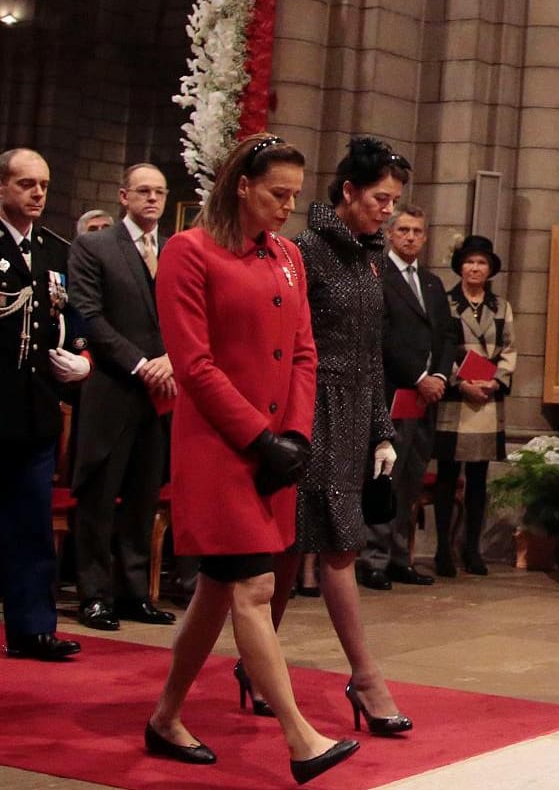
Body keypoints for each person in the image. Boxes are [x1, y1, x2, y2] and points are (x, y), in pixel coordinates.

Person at [147, 132, 358, 780]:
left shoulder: (289, 256)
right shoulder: (190, 251)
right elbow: (194, 363)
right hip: (219, 447)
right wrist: (255, 436)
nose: (287, 207)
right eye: (277, 193)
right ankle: (301, 738)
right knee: (254, 585)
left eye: (295, 195)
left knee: (217, 589)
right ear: (242, 184)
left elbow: (303, 352)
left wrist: (292, 435)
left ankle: (164, 718)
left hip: (274, 452)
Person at [280, 136, 412, 735]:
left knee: (296, 547)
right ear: (349, 191)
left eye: (395, 202)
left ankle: (255, 668)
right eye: (380, 199)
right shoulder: (304, 250)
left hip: (355, 412)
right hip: (310, 411)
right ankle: (365, 677)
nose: (388, 211)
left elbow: (372, 352)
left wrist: (383, 429)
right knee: (330, 546)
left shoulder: (367, 254)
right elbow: (290, 347)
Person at [68, 163, 178, 631]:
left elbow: (189, 315)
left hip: (162, 392)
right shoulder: (96, 246)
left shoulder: (175, 251)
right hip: (113, 387)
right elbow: (89, 316)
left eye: (159, 192)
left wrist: (172, 359)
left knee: (142, 495)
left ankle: (135, 593)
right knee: (99, 496)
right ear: (123, 196)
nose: (152, 199)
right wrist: (141, 363)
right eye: (143, 191)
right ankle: (94, 594)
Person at [0, 148, 90, 661]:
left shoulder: (55, 251)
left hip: (36, 411)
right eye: (26, 184)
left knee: (32, 526)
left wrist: (82, 358)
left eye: (44, 185)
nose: (37, 194)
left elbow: (70, 320)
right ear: (3, 188)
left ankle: (33, 628)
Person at [362, 205, 459, 587]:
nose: (411, 237)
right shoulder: (377, 275)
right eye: (403, 230)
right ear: (388, 233)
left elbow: (447, 336)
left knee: (411, 479)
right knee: (385, 476)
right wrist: (418, 375)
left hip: (425, 398)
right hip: (391, 391)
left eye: (418, 231)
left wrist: (437, 375)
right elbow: (383, 336)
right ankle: (373, 557)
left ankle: (401, 555)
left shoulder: (432, 283)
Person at [435, 235, 515, 577]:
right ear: (460, 266)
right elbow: (438, 344)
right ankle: (442, 549)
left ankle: (472, 549)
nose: (475, 268)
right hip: (456, 398)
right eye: (469, 262)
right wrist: (460, 381)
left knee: (479, 479)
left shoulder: (502, 307)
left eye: (481, 262)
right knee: (448, 476)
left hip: (487, 399)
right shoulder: (446, 302)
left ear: (490, 269)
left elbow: (510, 349)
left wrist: (496, 381)